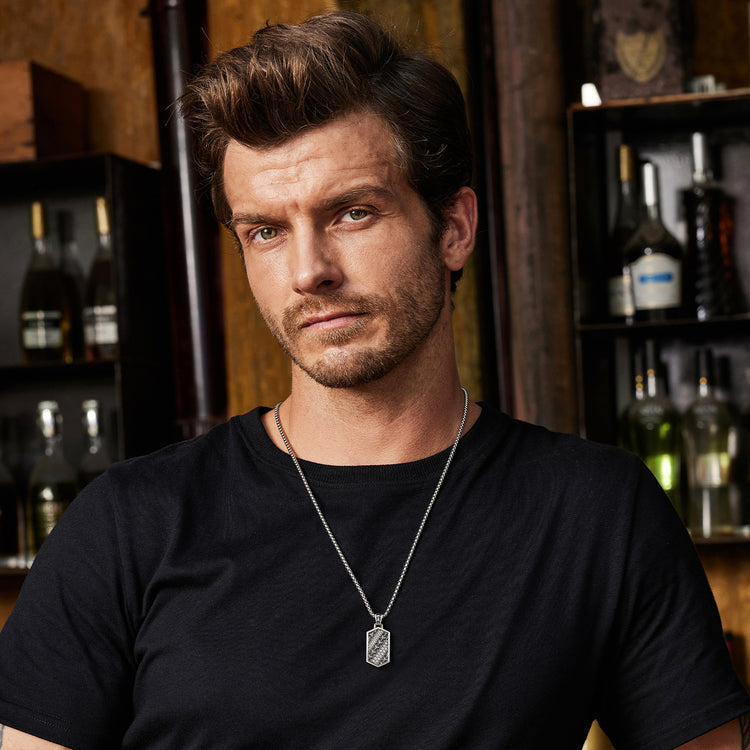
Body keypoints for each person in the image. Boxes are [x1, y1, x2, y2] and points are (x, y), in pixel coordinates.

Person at [0, 10, 749, 750]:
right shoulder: (127, 526)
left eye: (353, 213)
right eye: (266, 231)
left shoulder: (598, 513)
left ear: (454, 228)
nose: (308, 271)